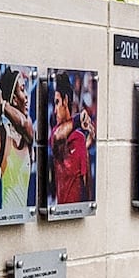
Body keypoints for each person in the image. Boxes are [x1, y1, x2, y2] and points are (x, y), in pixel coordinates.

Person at [0, 67, 36, 210]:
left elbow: (23, 125)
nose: (26, 96)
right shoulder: (3, 134)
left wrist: (3, 105)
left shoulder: (27, 128)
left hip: (22, 219)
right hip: (6, 216)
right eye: (22, 90)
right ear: (14, 99)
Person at [48, 72, 94, 206]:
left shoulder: (79, 138)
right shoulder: (56, 132)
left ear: (66, 100)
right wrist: (79, 119)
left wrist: (85, 148)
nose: (55, 111)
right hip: (62, 211)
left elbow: (87, 184)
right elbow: (59, 136)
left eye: (57, 103)